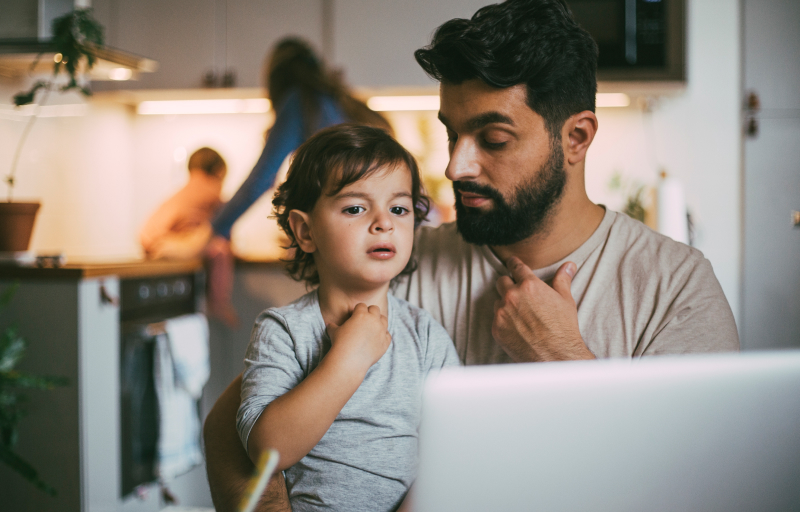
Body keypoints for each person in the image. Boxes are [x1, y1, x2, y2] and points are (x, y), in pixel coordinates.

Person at [203, 1, 740, 510]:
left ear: (576, 138)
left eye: (494, 138)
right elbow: (235, 427)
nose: (457, 165)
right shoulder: (399, 262)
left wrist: (565, 361)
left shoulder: (677, 289)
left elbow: (704, 489)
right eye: (452, 133)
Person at [236, 124, 459, 512]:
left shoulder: (426, 337)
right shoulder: (283, 330)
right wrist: (349, 360)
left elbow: (456, 453)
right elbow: (267, 449)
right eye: (356, 208)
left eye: (399, 208)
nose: (383, 222)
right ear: (305, 232)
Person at [210, 37, 391, 241]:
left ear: (276, 82)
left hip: (351, 226)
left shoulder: (299, 102)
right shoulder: (339, 101)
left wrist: (215, 228)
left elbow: (261, 179)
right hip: (381, 226)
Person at [139, 147, 237, 326]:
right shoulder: (213, 192)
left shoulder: (181, 192)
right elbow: (225, 228)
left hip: (150, 242)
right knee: (220, 250)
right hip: (171, 243)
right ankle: (219, 304)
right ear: (219, 173)